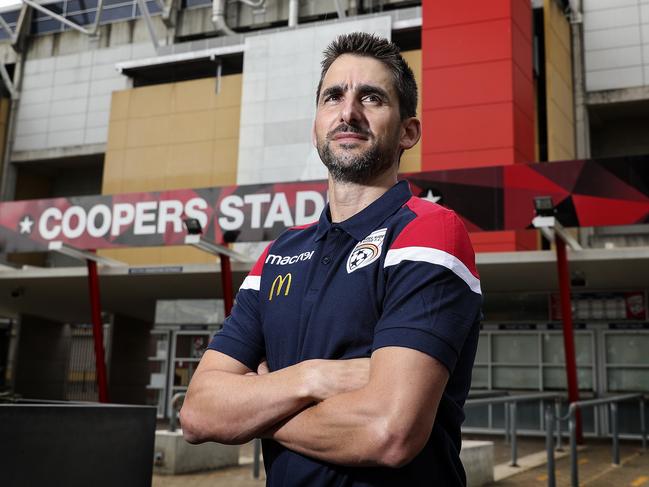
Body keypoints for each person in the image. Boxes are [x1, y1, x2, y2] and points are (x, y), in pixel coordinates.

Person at [181, 32, 482, 486]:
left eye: (372, 98)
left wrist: (256, 405)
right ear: (317, 122)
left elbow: (387, 431)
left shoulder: (428, 231)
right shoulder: (280, 253)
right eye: (333, 96)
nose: (349, 112)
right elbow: (199, 411)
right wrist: (314, 378)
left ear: (408, 132)